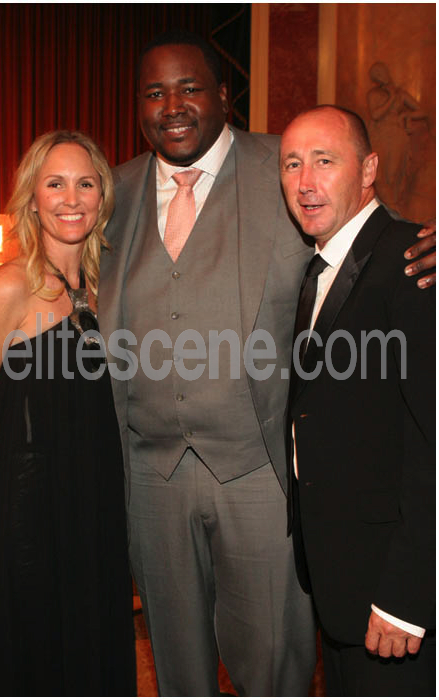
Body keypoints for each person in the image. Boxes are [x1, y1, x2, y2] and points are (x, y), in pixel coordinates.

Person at [98, 31, 435, 696]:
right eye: (155, 92)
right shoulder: (114, 191)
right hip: (150, 475)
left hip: (262, 473)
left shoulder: (284, 168)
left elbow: (376, 248)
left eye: (190, 87)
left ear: (225, 97)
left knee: (274, 665)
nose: (173, 104)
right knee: (175, 666)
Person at [0, 131, 137, 697]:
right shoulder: (11, 285)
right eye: (55, 183)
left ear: (102, 198)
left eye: (85, 183)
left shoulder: (101, 289)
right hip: (25, 513)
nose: (71, 198)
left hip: (91, 505)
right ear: (33, 198)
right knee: (34, 654)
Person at [281, 105, 435, 696]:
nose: (306, 181)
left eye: (326, 160)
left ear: (369, 169)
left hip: (393, 595)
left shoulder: (414, 262)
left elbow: (433, 444)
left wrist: (408, 593)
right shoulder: (319, 268)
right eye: (292, 163)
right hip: (343, 582)